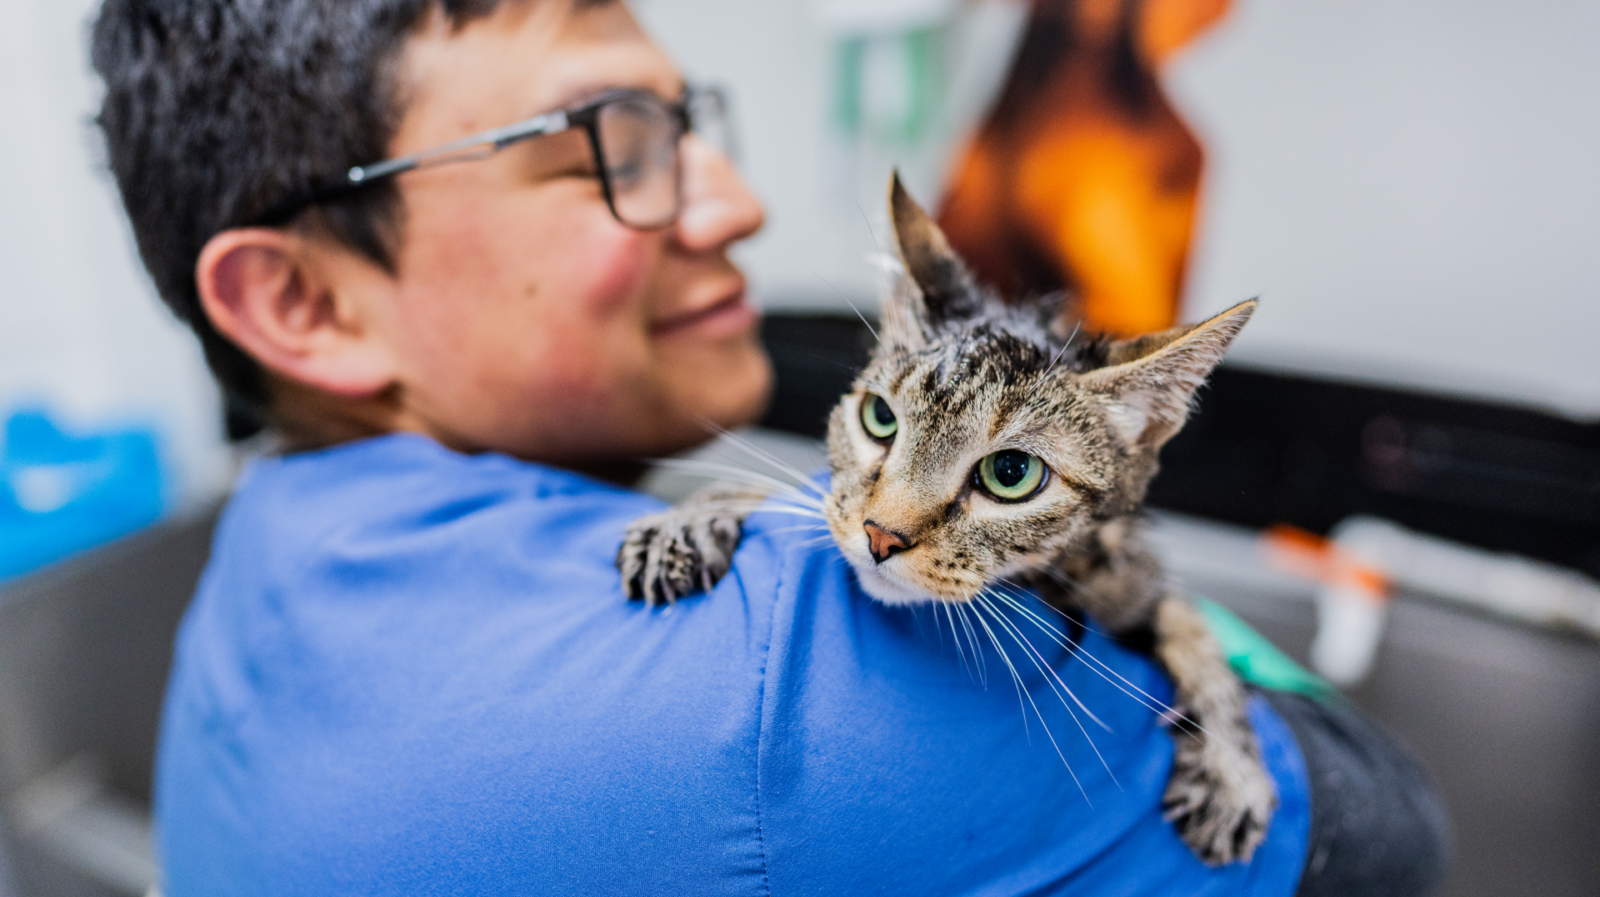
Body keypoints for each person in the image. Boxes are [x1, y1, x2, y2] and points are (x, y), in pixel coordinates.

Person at [91, 0, 1446, 894]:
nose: (735, 201)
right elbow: (1391, 834)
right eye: (605, 143)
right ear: (302, 300)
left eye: (688, 123)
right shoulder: (806, 686)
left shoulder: (257, 559)